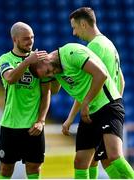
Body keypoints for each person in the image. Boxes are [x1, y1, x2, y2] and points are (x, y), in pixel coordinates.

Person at [27, 42, 134, 179]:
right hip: (90, 111)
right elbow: (55, 91)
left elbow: (101, 75)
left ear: (45, 58)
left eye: (49, 71)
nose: (52, 73)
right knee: (80, 162)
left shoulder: (71, 53)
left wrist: (86, 103)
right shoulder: (55, 70)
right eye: (48, 75)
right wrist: (70, 118)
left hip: (107, 105)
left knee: (114, 157)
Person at [62, 7, 125, 179]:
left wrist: (70, 118)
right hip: (106, 106)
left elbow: (87, 87)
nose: (74, 33)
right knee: (98, 160)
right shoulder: (109, 44)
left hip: (99, 108)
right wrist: (114, 101)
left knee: (106, 158)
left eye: (74, 27)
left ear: (83, 24)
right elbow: (122, 81)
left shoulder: (94, 47)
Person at [0, 22, 51, 179]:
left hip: (33, 126)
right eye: (26, 39)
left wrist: (41, 121)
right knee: (6, 168)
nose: (31, 42)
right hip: (11, 124)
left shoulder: (40, 61)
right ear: (15, 39)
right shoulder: (5, 59)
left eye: (32, 37)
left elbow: (47, 93)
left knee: (34, 167)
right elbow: (11, 78)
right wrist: (27, 61)